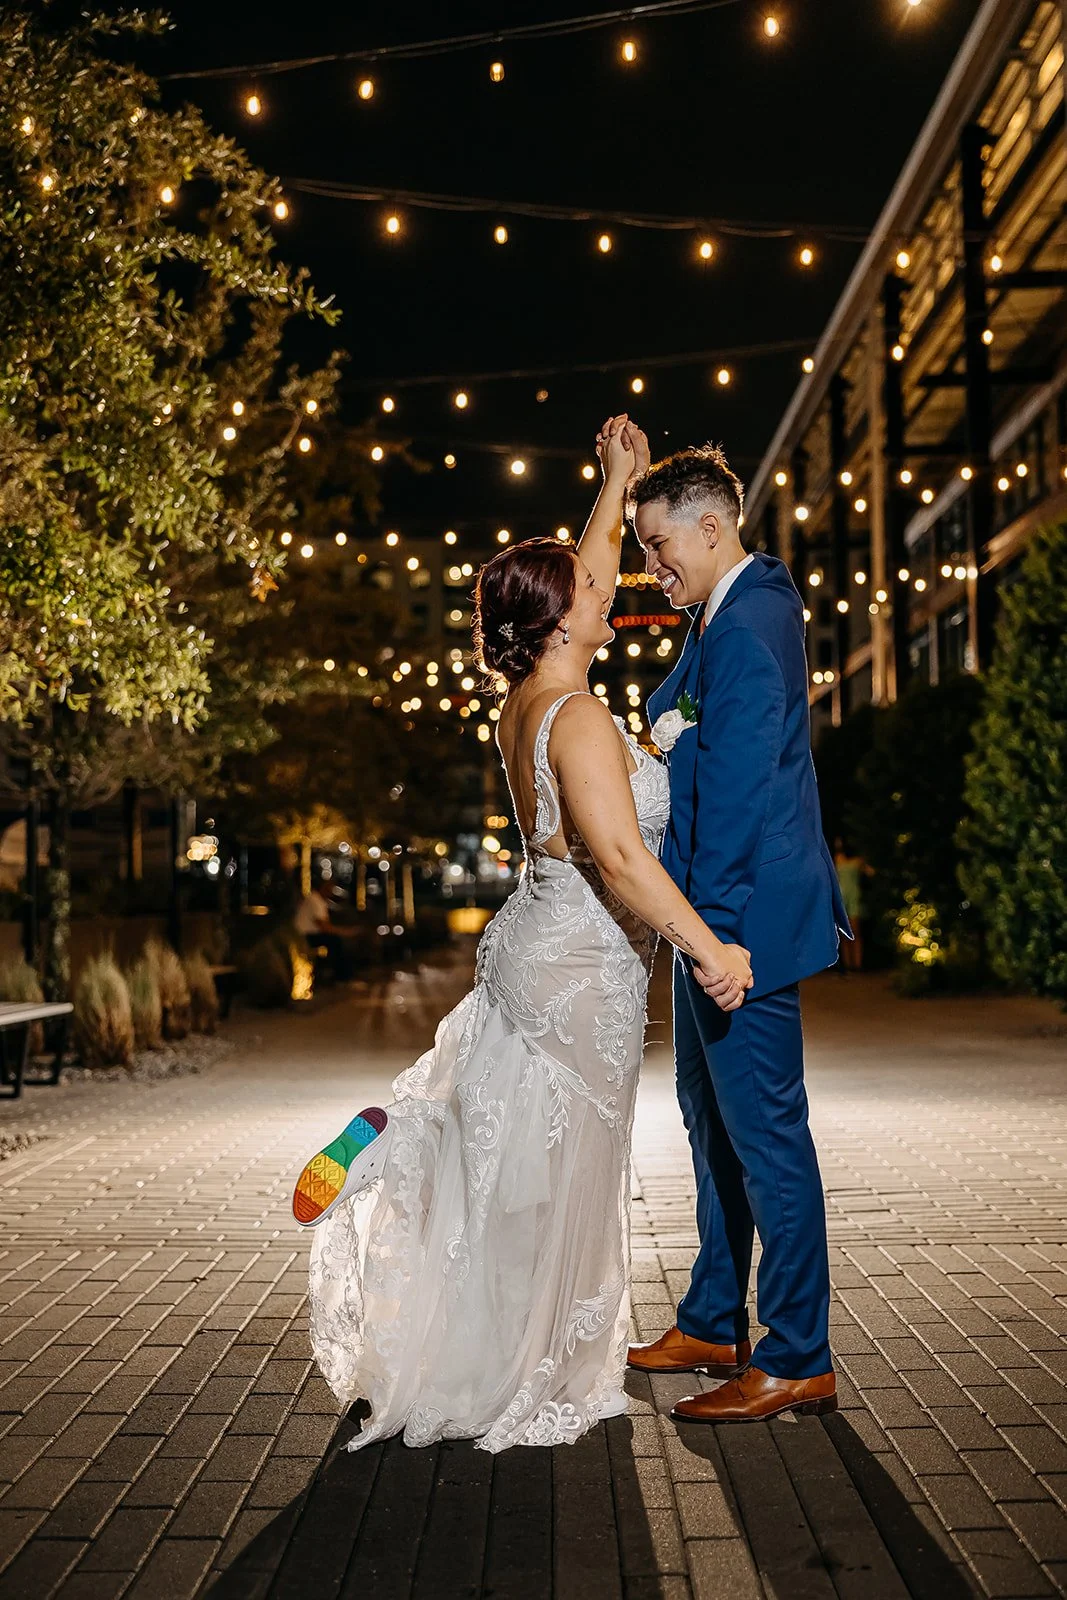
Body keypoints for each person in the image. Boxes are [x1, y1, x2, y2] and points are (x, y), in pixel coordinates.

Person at [301, 417, 752, 1454]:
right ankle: (522, 1352)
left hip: (533, 952)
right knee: (553, 1175)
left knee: (507, 1158)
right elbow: (623, 860)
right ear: (556, 624)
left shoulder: (530, 701)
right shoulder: (579, 720)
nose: (610, 587)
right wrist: (709, 951)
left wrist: (615, 482)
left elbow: (577, 573)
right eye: (591, 590)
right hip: (577, 972)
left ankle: (409, 1152)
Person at [627, 444, 852, 1424]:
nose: (649, 566)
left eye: (657, 544)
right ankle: (714, 1319)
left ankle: (796, 1353)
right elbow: (674, 719)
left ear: (711, 526)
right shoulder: (723, 612)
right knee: (710, 1118)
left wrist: (710, 939)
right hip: (712, 921)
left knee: (764, 1135)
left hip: (737, 923)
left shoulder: (751, 624)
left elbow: (735, 793)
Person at [294, 882, 354, 982]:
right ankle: (341, 976)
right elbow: (323, 926)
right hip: (304, 937)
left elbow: (325, 924)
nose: (331, 892)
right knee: (336, 941)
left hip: (310, 935)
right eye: (329, 889)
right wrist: (344, 932)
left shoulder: (319, 901)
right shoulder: (314, 900)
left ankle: (339, 974)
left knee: (335, 941)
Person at [833, 839, 868, 972]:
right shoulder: (840, 859)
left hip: (851, 897)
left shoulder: (856, 861)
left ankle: (856, 964)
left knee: (854, 932)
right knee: (847, 933)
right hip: (845, 897)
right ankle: (849, 964)